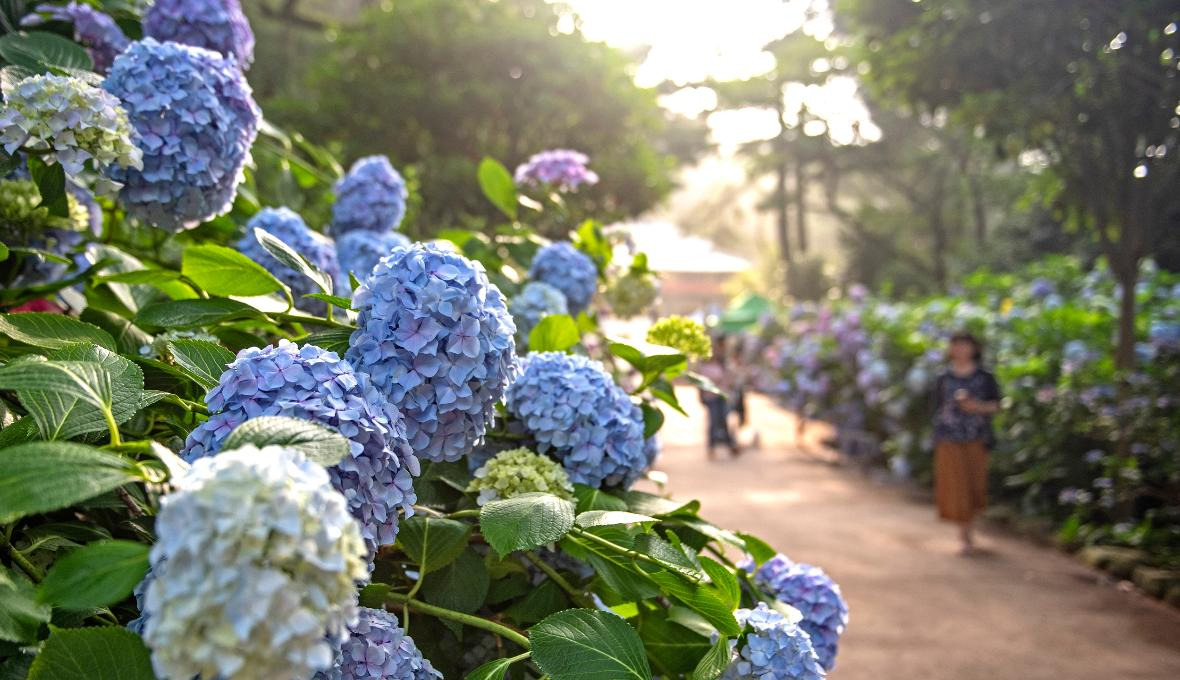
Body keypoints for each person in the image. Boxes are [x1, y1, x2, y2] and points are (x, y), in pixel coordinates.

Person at [933, 332, 1001, 555]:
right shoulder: (943, 378)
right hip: (949, 439)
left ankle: (968, 529)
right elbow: (936, 409)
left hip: (976, 439)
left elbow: (997, 405)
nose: (961, 350)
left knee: (974, 486)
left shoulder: (985, 378)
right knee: (956, 487)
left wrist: (976, 407)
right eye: (957, 346)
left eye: (965, 345)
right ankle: (965, 536)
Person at [698, 335, 741, 460]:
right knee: (713, 422)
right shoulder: (704, 367)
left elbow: (730, 379)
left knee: (722, 420)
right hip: (710, 397)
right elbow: (702, 383)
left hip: (722, 396)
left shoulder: (722, 364)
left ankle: (730, 445)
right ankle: (713, 447)